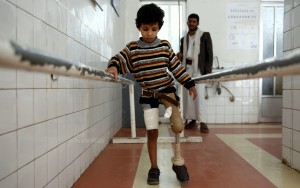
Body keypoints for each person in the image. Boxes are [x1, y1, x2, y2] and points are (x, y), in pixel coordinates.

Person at [105, 3, 197, 185]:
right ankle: (154, 167)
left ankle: (178, 161)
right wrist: (113, 66)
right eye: (145, 29)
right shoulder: (133, 49)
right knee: (152, 131)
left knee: (177, 125)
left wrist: (189, 84)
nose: (149, 33)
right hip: (148, 96)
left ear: (159, 27)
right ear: (138, 27)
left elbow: (176, 68)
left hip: (167, 92)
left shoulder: (164, 46)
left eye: (154, 29)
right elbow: (118, 58)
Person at [177, 13, 213, 133]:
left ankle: (202, 121)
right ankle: (192, 120)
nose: (192, 23)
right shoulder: (184, 39)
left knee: (200, 96)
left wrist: (207, 73)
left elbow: (209, 55)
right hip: (186, 69)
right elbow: (183, 55)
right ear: (187, 23)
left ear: (198, 23)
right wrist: (179, 56)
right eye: (190, 21)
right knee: (188, 97)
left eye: (194, 21)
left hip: (199, 70)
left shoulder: (204, 36)